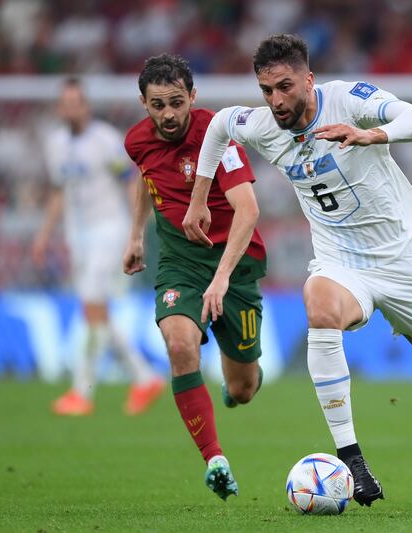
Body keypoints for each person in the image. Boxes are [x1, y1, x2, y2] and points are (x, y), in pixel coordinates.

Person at [183, 34, 412, 506]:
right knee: (317, 304)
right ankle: (353, 461)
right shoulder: (260, 124)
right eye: (266, 90)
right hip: (341, 263)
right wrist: (199, 198)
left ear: (309, 80)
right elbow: (218, 127)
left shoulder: (348, 99)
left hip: (400, 259)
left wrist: (370, 134)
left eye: (285, 87)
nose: (276, 100)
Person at [122, 54, 266, 501]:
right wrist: (137, 236)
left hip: (235, 265)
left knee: (242, 389)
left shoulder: (217, 137)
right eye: (158, 105)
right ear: (144, 103)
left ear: (193, 97)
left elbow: (249, 210)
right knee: (180, 344)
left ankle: (235, 383)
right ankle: (215, 459)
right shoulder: (137, 141)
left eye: (177, 103)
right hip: (180, 263)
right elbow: (146, 181)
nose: (168, 115)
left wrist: (221, 278)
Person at [33, 78, 165, 416]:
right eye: (66, 102)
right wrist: (44, 235)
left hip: (109, 229)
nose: (71, 108)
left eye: (77, 101)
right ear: (60, 108)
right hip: (76, 235)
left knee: (92, 305)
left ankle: (82, 390)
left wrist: (137, 230)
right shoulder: (55, 144)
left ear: (86, 106)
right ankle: (144, 376)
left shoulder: (104, 140)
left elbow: (128, 182)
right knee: (95, 310)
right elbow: (59, 191)